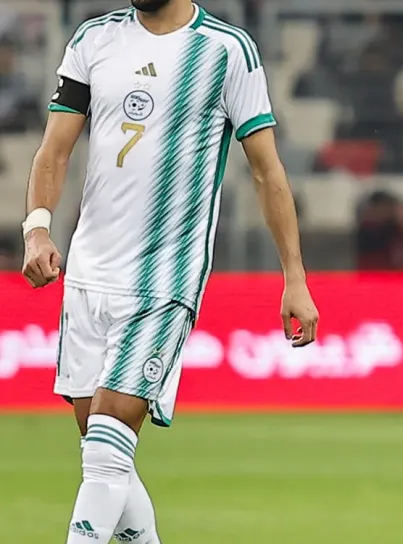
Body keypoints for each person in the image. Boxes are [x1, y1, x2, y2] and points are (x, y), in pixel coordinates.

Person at [20, 1, 320, 543]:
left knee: (107, 447)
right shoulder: (93, 39)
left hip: (164, 277)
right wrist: (37, 228)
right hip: (88, 274)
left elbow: (266, 170)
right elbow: (53, 150)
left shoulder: (227, 51)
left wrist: (294, 276)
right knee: (102, 450)